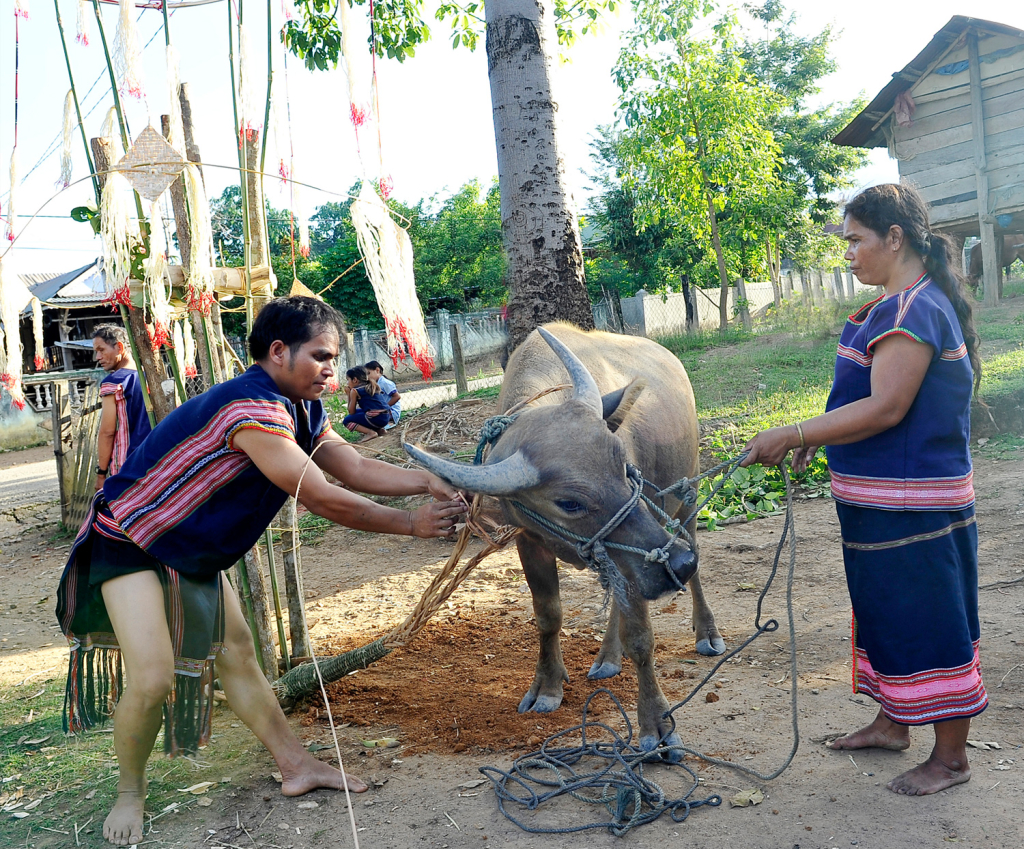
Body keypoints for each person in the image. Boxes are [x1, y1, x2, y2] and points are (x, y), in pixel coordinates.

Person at [56, 297, 467, 847]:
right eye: (321, 355)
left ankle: (296, 766)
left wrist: (427, 480)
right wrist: (413, 525)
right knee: (153, 676)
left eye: (334, 356)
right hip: (129, 539)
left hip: (187, 544)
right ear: (278, 351)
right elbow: (322, 496)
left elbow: (354, 466)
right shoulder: (252, 408)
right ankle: (130, 790)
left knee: (238, 654)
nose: (331, 368)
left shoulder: (301, 407)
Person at [741, 184, 986, 797]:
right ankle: (893, 723)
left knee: (929, 616)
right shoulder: (893, 304)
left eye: (855, 240)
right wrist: (815, 438)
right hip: (879, 502)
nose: (846, 253)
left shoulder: (914, 311)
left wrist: (793, 431)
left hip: (915, 505)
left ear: (895, 238)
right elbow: (861, 405)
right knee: (883, 609)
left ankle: (951, 757)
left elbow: (885, 407)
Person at [92, 324, 152, 491]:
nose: (98, 356)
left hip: (126, 467)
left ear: (119, 347)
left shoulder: (114, 383)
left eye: (101, 350)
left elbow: (107, 432)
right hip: (155, 460)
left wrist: (101, 474)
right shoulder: (150, 378)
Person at [342, 365, 392, 442]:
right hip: (386, 416)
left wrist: (349, 395)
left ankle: (370, 432)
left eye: (348, 380)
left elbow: (351, 412)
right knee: (361, 411)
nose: (347, 383)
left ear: (355, 380)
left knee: (347, 420)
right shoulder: (372, 385)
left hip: (377, 419)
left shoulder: (355, 391)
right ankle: (380, 430)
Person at [365, 359, 401, 428]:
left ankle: (388, 423)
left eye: (369, 373)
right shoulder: (377, 383)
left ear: (377, 370)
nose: (367, 377)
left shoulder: (385, 383)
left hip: (392, 412)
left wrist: (384, 408)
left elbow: (397, 397)